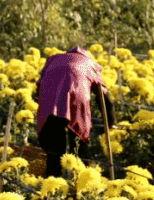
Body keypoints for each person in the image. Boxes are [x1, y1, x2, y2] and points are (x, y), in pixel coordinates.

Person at [35, 46, 115, 178]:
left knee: (54, 147)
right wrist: (111, 121)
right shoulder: (89, 63)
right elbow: (103, 95)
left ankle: (53, 181)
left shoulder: (53, 60)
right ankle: (79, 180)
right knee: (78, 143)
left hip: (50, 99)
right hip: (76, 97)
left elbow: (39, 85)